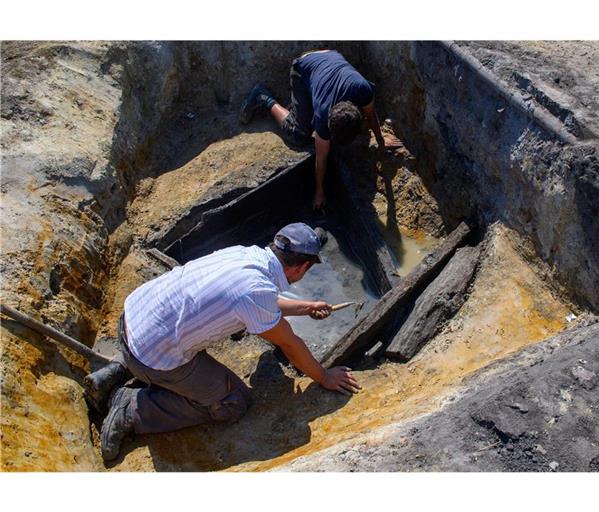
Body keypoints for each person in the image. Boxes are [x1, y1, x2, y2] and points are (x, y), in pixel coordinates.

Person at [83, 222, 361, 462]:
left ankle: (120, 368)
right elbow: (289, 343)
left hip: (132, 321)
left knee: (175, 330)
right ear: (301, 268)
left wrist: (306, 306)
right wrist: (323, 376)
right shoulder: (256, 292)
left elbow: (258, 300)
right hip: (154, 356)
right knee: (233, 402)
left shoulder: (245, 255)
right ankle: (133, 408)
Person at [239, 49, 402, 210]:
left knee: (314, 121)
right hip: (302, 69)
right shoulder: (324, 116)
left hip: (328, 56)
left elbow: (371, 115)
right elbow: (321, 158)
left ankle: (298, 108)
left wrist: (381, 140)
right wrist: (319, 191)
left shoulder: (363, 89)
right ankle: (263, 97)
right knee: (298, 134)